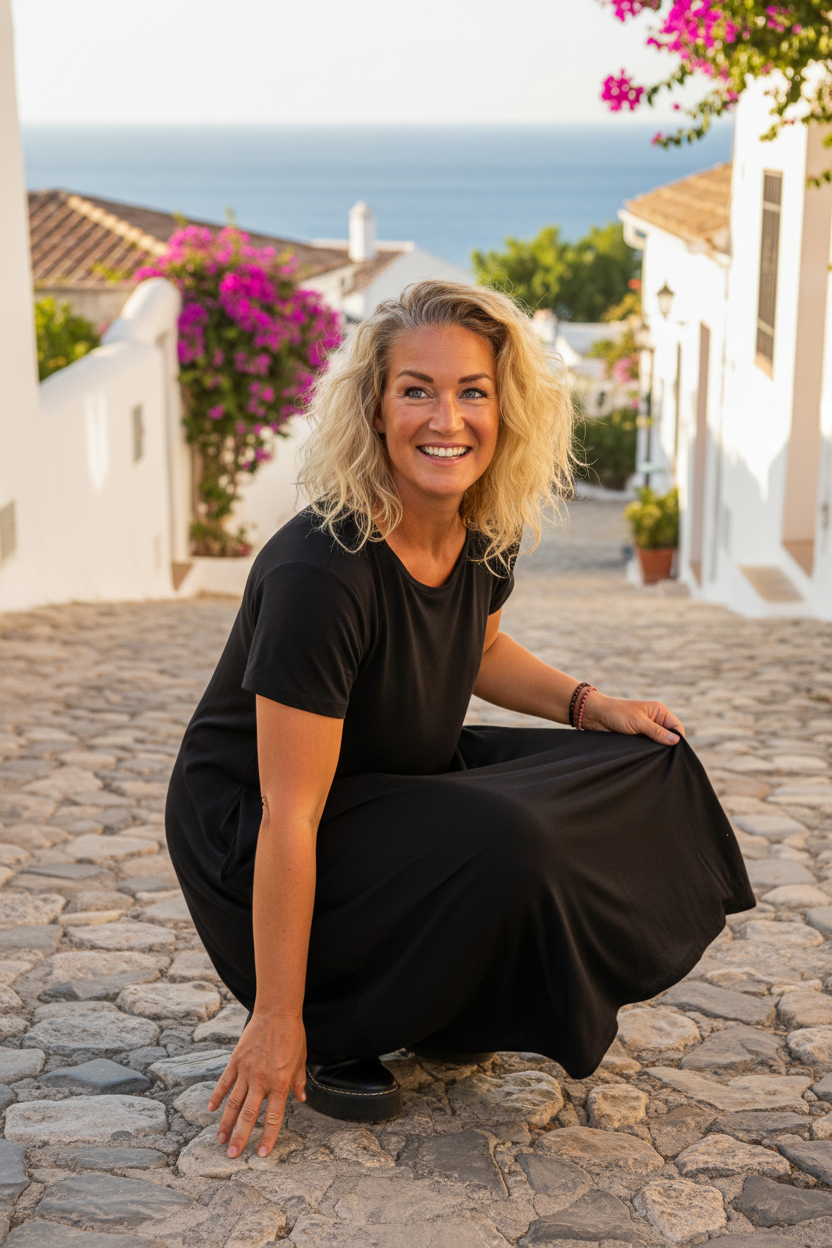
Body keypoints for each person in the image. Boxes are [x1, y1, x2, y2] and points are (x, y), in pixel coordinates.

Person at [165, 279, 753, 1161]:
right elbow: (292, 813)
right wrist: (277, 1017)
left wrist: (590, 706)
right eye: (417, 390)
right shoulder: (321, 572)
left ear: (504, 406)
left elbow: (475, 648)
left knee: (639, 763)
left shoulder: (482, 529)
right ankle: (332, 1021)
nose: (448, 419)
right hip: (257, 835)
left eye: (472, 391)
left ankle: (437, 1000)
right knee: (507, 834)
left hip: (396, 771)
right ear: (374, 409)